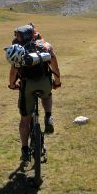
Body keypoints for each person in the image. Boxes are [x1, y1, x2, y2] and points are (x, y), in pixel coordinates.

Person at [7, 24, 61, 162]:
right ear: (33, 34)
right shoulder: (44, 46)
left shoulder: (19, 50)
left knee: (25, 119)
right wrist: (57, 81)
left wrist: (12, 85)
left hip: (27, 86)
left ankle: (25, 150)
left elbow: (13, 71)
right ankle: (48, 116)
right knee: (47, 95)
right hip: (44, 82)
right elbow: (54, 61)